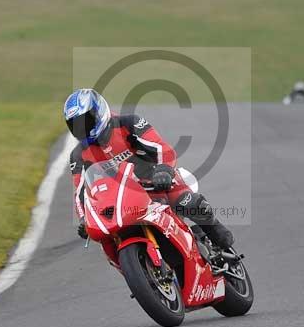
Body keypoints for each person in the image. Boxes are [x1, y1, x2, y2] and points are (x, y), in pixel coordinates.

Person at [64, 89, 234, 249]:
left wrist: (164, 171)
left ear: (99, 111)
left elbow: (162, 149)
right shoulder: (78, 155)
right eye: (76, 125)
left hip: (158, 183)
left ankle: (218, 238)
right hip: (121, 201)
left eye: (86, 121)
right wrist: (83, 219)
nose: (83, 129)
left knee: (188, 203)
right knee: (108, 238)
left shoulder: (128, 123)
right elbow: (80, 192)